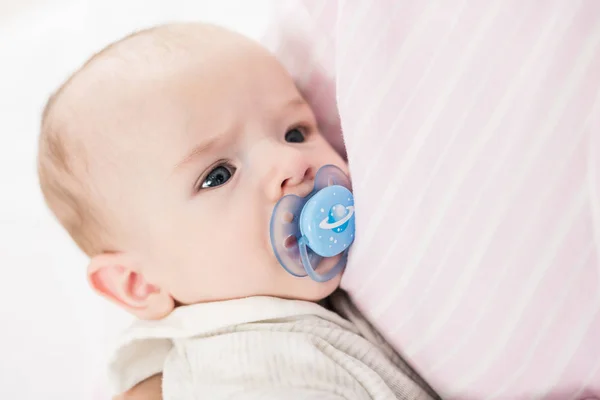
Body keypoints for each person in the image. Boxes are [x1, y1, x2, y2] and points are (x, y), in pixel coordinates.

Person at [37, 22, 438, 400]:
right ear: (140, 283)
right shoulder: (248, 374)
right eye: (217, 176)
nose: (291, 164)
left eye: (294, 132)